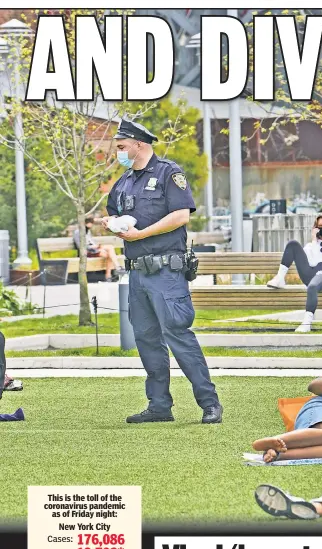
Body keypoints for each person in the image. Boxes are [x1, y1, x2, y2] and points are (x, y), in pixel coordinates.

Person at [103, 118, 223, 425]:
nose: (118, 153)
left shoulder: (170, 173)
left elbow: (181, 215)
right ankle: (159, 405)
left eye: (121, 147)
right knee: (145, 338)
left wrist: (141, 235)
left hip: (166, 273)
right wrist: (112, 226)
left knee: (178, 335)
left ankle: (210, 404)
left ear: (139, 144)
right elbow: (115, 214)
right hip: (138, 274)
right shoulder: (124, 181)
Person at [73, 216, 124, 282]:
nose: (91, 225)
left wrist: (96, 246)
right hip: (87, 252)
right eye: (90, 223)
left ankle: (114, 271)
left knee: (110, 250)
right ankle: (111, 273)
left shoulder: (87, 231)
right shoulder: (78, 232)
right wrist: (94, 247)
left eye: (91, 223)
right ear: (85, 223)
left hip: (94, 249)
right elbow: (80, 246)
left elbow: (91, 241)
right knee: (109, 253)